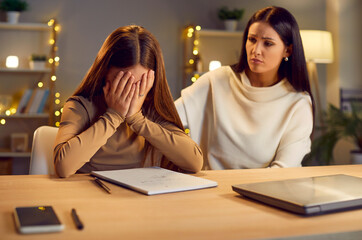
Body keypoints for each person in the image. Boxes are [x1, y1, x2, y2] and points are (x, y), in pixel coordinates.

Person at [54, 25, 203, 178]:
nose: (130, 93)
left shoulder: (152, 108)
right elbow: (63, 167)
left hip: (141, 197)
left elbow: (194, 162)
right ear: (104, 72)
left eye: (139, 84)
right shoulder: (80, 106)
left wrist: (137, 119)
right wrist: (114, 115)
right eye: (123, 83)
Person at [175, 6, 314, 169]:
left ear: (287, 51)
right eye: (252, 40)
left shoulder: (298, 103)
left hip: (265, 192)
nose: (256, 50)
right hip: (209, 189)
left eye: (268, 43)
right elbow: (167, 116)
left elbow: (283, 171)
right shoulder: (218, 80)